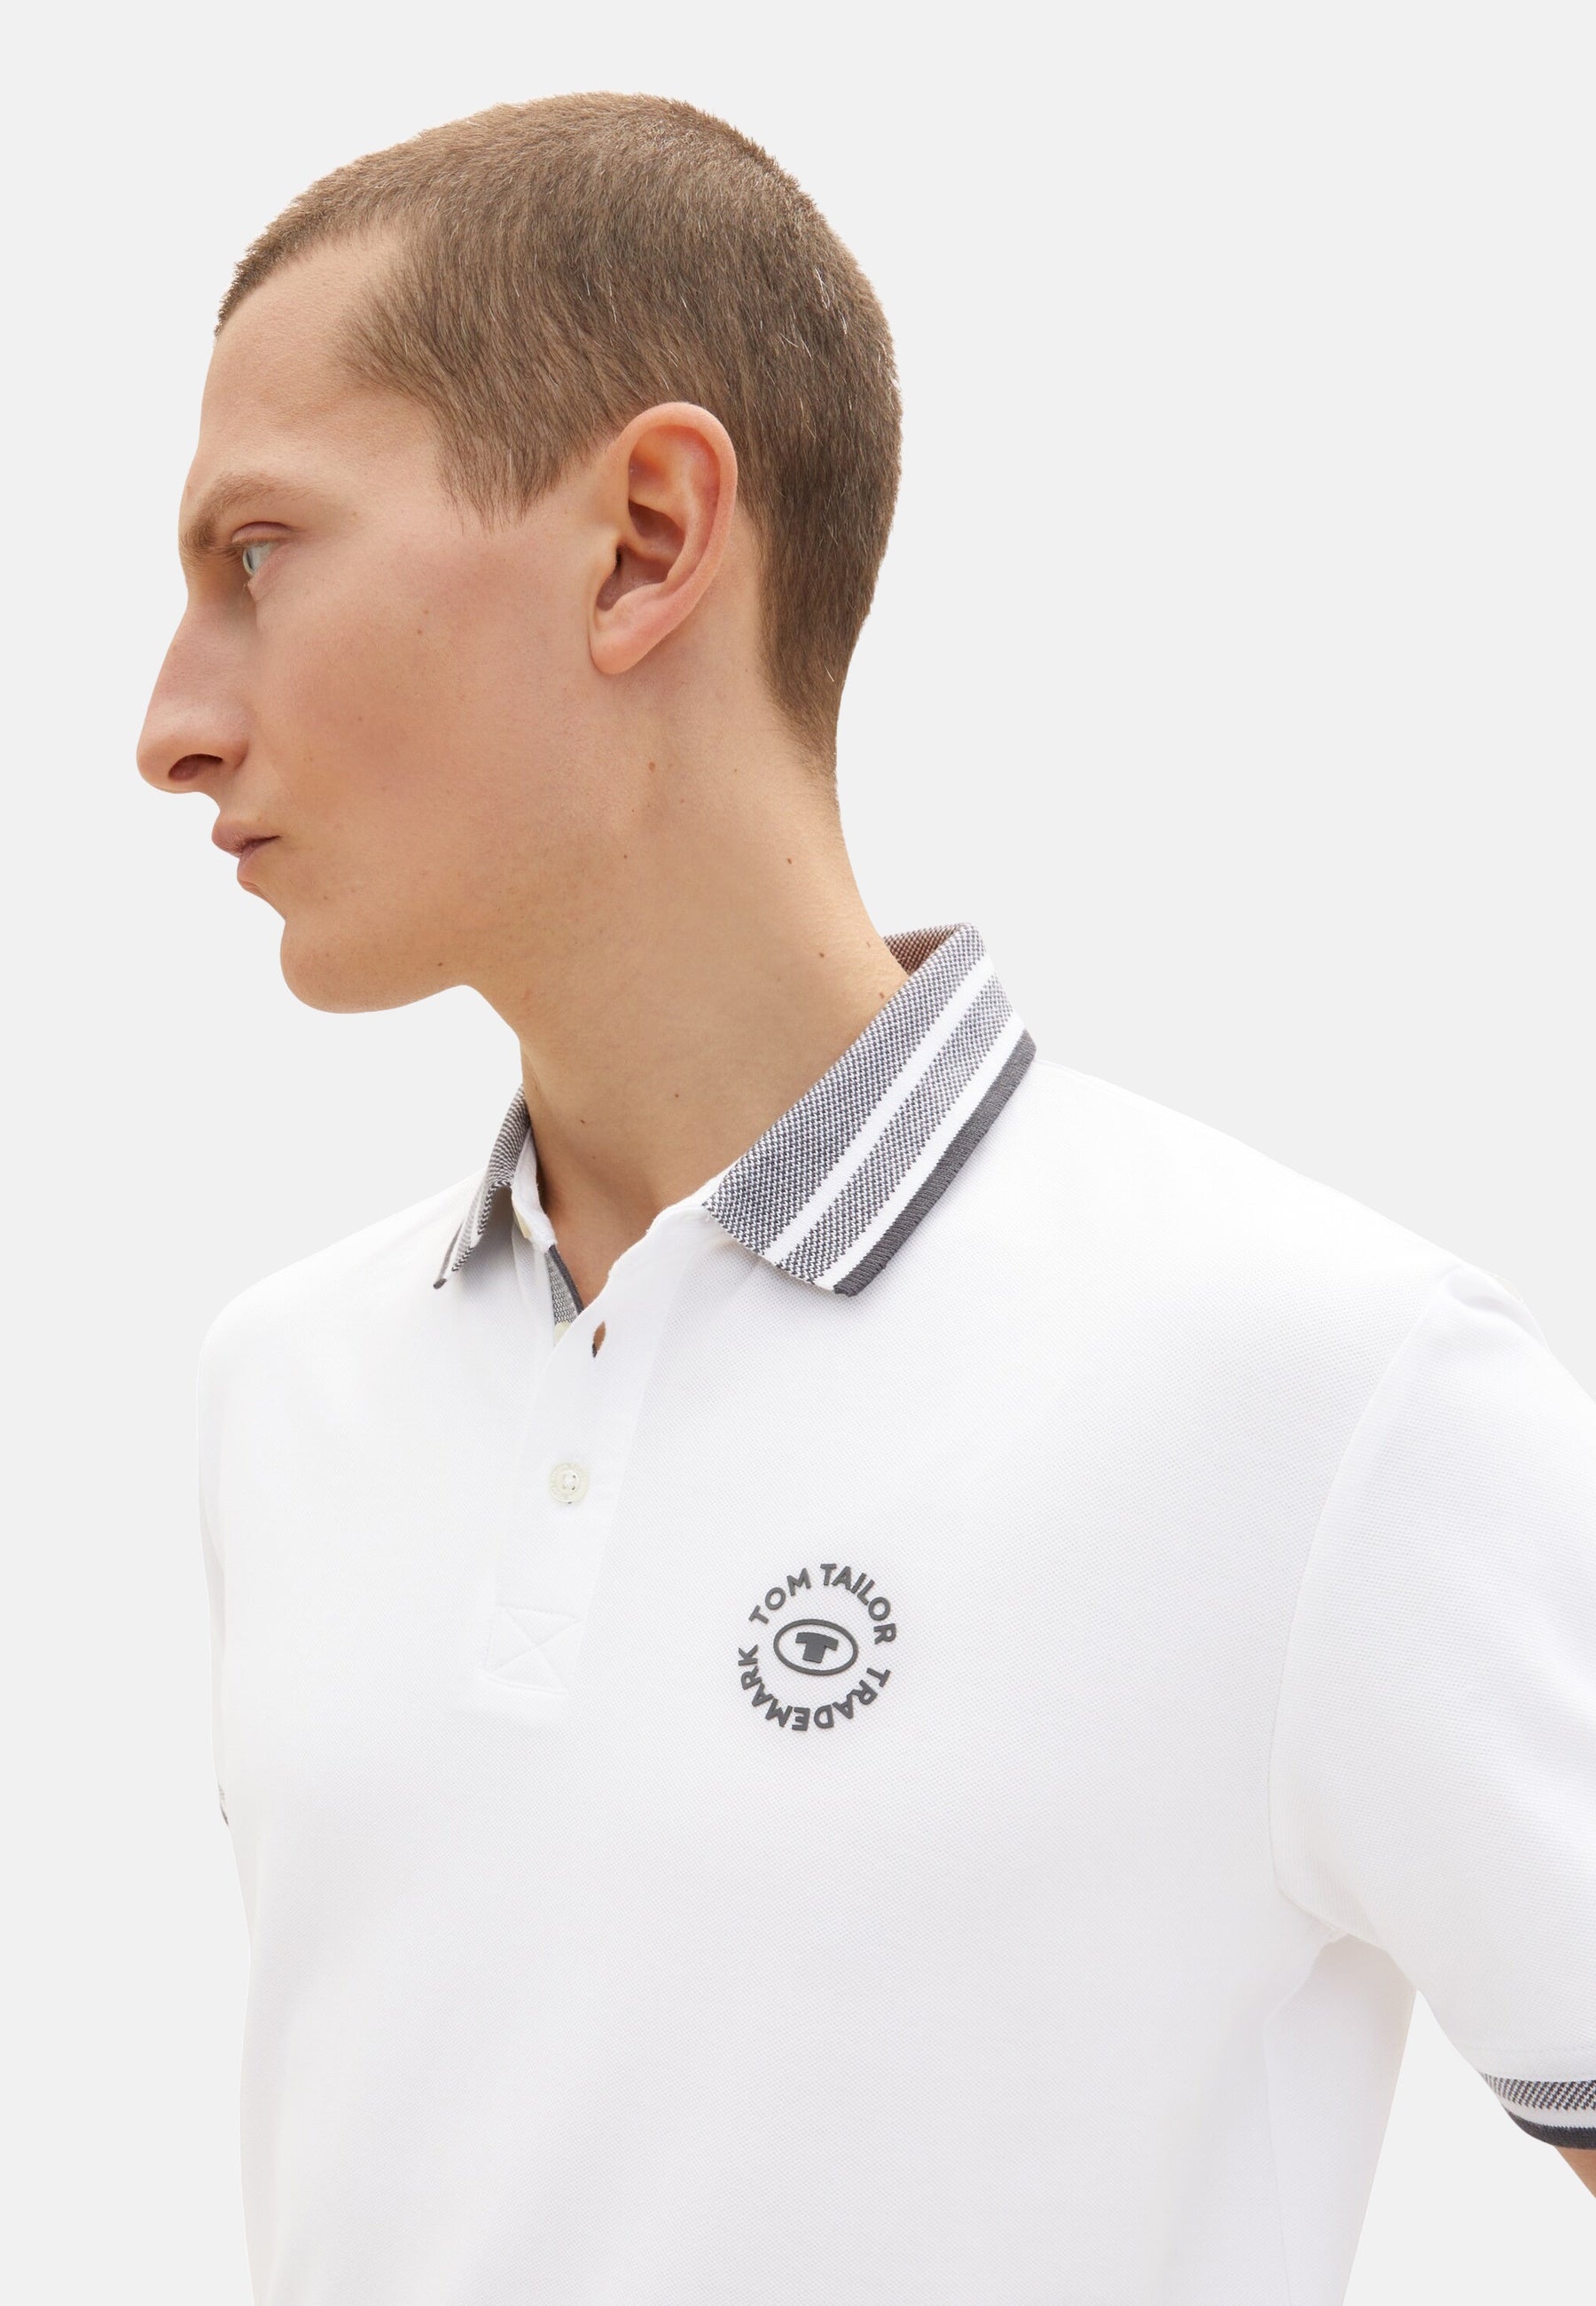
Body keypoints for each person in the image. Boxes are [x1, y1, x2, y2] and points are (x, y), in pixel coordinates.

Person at [137, 92, 1595, 2306]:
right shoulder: (287, 1390)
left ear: (644, 540)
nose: (170, 724)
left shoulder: (1323, 1387)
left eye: (257, 555)